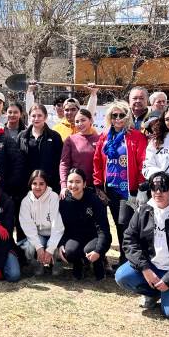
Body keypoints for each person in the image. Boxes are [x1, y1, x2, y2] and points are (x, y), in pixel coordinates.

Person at [115, 172, 169, 320]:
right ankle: (154, 293)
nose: (158, 192)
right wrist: (145, 268)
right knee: (122, 276)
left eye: (163, 188)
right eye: (154, 188)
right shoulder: (143, 211)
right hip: (152, 268)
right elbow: (129, 240)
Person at [92, 101, 148, 266]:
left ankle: (129, 259)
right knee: (117, 222)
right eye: (114, 115)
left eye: (121, 115)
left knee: (125, 222)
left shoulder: (136, 136)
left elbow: (142, 162)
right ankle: (125, 257)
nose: (117, 118)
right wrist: (97, 184)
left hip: (128, 189)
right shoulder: (105, 136)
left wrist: (140, 187)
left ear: (127, 116)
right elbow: (97, 161)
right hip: (110, 188)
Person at [58, 168, 111, 280]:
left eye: (78, 182)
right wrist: (61, 243)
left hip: (94, 236)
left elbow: (103, 229)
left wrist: (98, 251)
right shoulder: (63, 202)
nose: (74, 185)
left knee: (90, 250)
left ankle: (98, 263)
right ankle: (78, 264)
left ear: (84, 184)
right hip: (75, 237)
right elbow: (60, 227)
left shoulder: (94, 200)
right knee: (70, 251)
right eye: (70, 182)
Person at [18, 170, 64, 274]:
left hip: (54, 234)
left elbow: (57, 226)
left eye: (41, 184)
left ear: (46, 184)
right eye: (34, 183)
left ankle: (56, 262)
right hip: (39, 235)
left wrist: (50, 249)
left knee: (56, 245)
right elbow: (28, 227)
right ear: (30, 184)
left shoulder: (53, 197)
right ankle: (37, 264)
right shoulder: (26, 201)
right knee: (29, 247)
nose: (38, 187)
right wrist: (39, 248)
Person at [17, 103, 64, 195]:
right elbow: (17, 160)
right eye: (33, 116)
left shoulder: (55, 137)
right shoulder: (22, 136)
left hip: (50, 185)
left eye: (39, 115)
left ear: (45, 117)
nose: (36, 118)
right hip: (27, 185)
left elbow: (60, 161)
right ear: (30, 117)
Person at [59, 108, 100, 197]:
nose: (80, 124)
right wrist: (64, 185)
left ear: (91, 120)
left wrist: (100, 186)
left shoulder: (100, 139)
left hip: (95, 187)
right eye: (77, 121)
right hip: (75, 187)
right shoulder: (70, 140)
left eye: (83, 120)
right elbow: (64, 164)